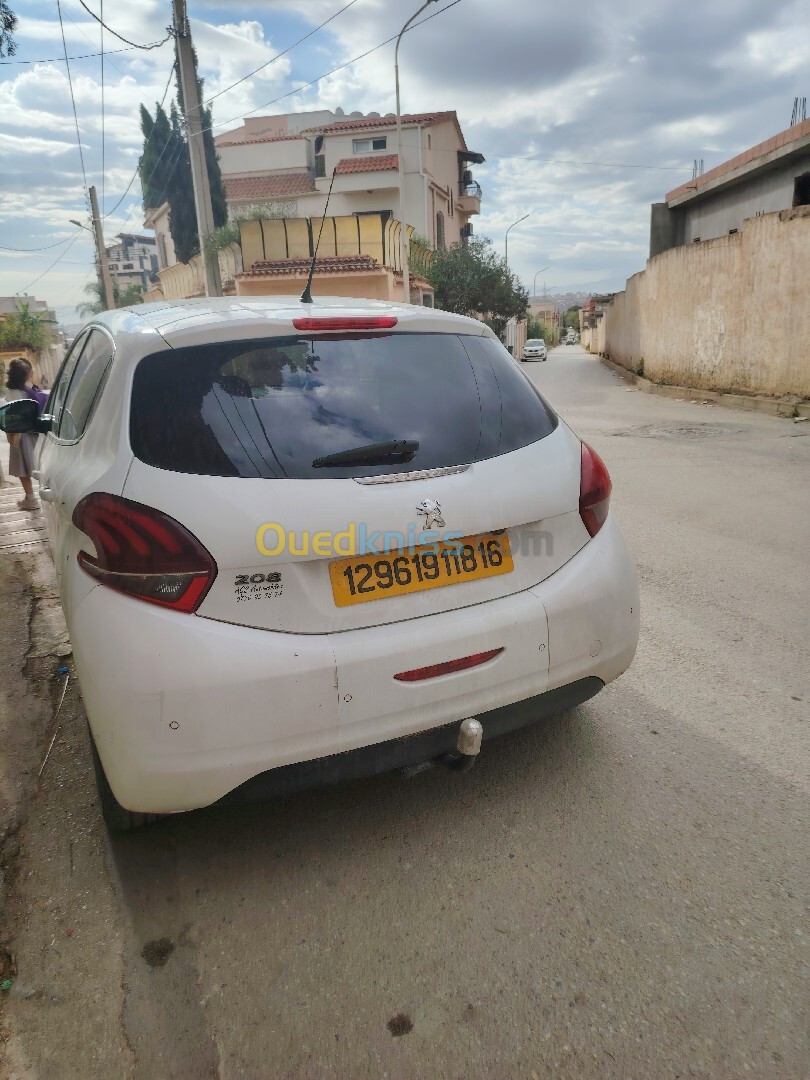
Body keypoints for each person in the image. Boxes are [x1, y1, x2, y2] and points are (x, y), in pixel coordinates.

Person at [5, 357, 47, 511]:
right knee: (41, 467)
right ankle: (47, 496)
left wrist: (10, 435)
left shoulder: (12, 394)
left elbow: (11, 418)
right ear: (29, 375)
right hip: (38, 435)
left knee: (23, 470)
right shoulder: (35, 390)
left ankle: (31, 499)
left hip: (19, 437)